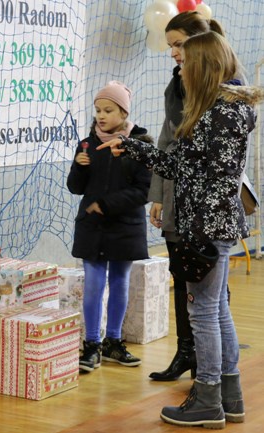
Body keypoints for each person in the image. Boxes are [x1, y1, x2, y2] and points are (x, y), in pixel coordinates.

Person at [98, 32, 264, 429]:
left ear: (203, 65)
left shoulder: (219, 113)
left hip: (206, 225)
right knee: (216, 309)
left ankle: (207, 397)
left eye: (185, 62)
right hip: (214, 222)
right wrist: (134, 146)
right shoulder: (221, 108)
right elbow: (186, 167)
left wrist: (196, 230)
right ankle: (229, 395)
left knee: (203, 311)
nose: (180, 69)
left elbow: (202, 174)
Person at [148, 11, 228, 382]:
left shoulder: (220, 96)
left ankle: (213, 377)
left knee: (208, 299)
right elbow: (168, 140)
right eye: (170, 47)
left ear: (199, 46)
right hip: (179, 199)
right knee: (184, 279)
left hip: (204, 211)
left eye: (178, 45)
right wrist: (159, 195)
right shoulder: (178, 85)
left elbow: (193, 158)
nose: (173, 56)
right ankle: (188, 354)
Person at [67, 80, 152, 373]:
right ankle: (92, 344)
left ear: (123, 113)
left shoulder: (140, 144)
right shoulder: (88, 143)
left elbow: (144, 191)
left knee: (119, 282)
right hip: (92, 227)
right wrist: (79, 166)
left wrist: (107, 204)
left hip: (124, 226)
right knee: (93, 285)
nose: (101, 116)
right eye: (98, 110)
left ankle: (114, 342)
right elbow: (75, 188)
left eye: (108, 110)